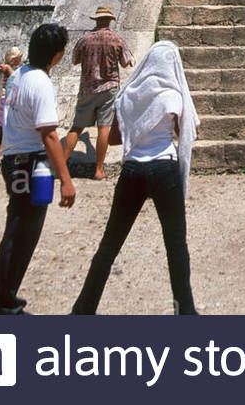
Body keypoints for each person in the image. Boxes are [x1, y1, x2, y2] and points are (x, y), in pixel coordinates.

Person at [72, 41, 199, 315]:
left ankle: (84, 308)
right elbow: (182, 133)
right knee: (176, 245)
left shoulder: (128, 94)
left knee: (109, 244)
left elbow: (117, 138)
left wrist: (138, 128)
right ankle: (185, 311)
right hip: (164, 169)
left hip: (132, 171)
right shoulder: (173, 95)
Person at [0, 22, 76, 314]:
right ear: (58, 54)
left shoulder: (19, 75)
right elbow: (50, 134)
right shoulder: (41, 82)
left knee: (15, 232)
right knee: (22, 236)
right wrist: (66, 179)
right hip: (31, 164)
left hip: (14, 160)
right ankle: (2, 303)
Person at [62, 6, 134, 180]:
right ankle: (99, 169)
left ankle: (61, 167)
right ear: (110, 20)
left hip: (87, 87)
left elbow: (74, 60)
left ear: (96, 20)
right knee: (104, 127)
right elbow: (125, 63)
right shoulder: (117, 40)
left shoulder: (85, 39)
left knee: (77, 127)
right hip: (109, 88)